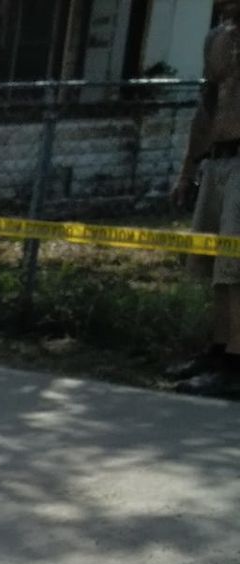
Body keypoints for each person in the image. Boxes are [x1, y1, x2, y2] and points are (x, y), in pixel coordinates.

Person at [172, 0, 240, 395]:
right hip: (217, 160)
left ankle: (236, 363)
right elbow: (206, 107)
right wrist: (188, 170)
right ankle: (217, 351)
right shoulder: (216, 39)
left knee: (236, 269)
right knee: (216, 264)